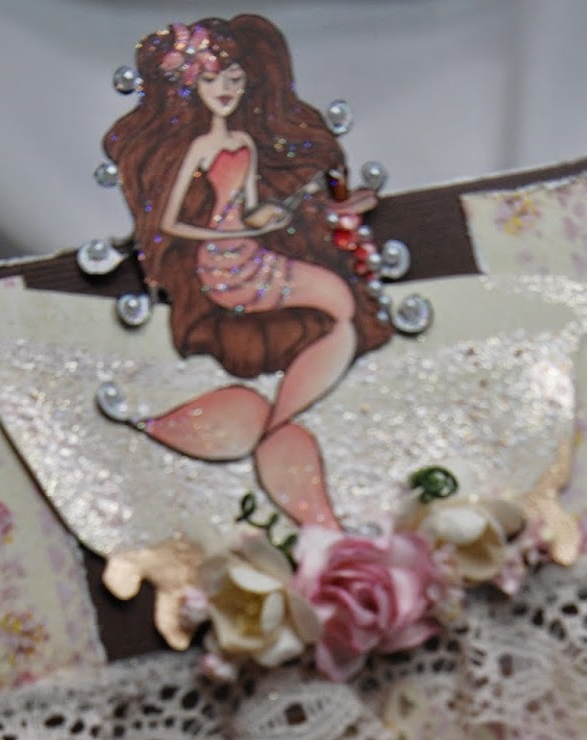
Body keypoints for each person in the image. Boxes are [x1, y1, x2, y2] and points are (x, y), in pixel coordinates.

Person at [104, 14, 390, 531]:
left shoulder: (246, 143)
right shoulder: (201, 147)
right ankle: (273, 430)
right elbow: (168, 222)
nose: (226, 91)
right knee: (337, 306)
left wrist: (273, 217)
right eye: (213, 80)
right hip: (224, 266)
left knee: (341, 304)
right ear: (194, 87)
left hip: (254, 250)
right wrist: (217, 236)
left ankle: (270, 423)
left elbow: (251, 205)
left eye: (235, 80)